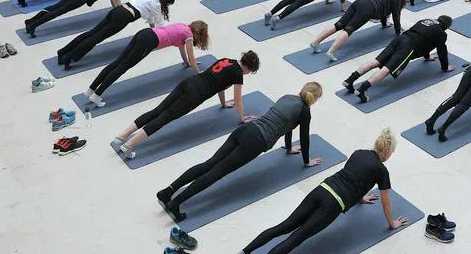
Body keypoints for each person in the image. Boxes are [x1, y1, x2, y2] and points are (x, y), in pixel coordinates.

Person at [157, 82, 326, 222]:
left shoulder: (288, 97)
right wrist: (306, 161)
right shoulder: (305, 111)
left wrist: (289, 148)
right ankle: (176, 203)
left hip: (246, 129)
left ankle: (168, 191)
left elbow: (288, 126)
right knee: (216, 172)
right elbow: (304, 137)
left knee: (209, 164)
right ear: (315, 98)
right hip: (256, 142)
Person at [237, 129, 408, 254]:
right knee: (297, 237)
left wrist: (361, 197)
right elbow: (386, 202)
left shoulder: (359, 153)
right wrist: (392, 223)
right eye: (392, 153)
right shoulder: (381, 170)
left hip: (321, 189)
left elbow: (355, 176)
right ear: (386, 152)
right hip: (333, 204)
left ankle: (245, 251)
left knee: (283, 226)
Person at [110, 51, 260, 160]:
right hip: (195, 95)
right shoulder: (238, 74)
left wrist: (223, 103)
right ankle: (129, 145)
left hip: (188, 83)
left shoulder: (227, 59)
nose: (248, 74)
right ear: (249, 68)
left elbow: (221, 84)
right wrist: (241, 118)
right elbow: (238, 99)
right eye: (251, 72)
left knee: (158, 111)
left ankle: (121, 137)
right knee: (164, 118)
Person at [84, 20, 209, 107]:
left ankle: (91, 89)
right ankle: (97, 95)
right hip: (149, 41)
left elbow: (182, 50)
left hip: (144, 33)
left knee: (117, 63)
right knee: (122, 67)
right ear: (200, 33)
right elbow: (192, 56)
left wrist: (186, 63)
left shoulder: (183, 27)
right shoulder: (189, 36)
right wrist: (198, 72)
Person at [342, 16, 454, 103]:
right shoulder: (441, 33)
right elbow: (441, 50)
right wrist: (445, 67)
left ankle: (349, 80)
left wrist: (427, 56)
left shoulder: (426, 20)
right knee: (386, 69)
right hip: (408, 46)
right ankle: (362, 90)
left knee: (376, 61)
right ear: (446, 26)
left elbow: (425, 41)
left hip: (400, 38)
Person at [56, 0, 174, 68]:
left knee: (91, 33)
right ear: (167, 2)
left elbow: (151, 18)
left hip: (118, 10)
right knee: (96, 39)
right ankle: (69, 58)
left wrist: (153, 27)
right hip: (124, 17)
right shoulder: (157, 6)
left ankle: (62, 52)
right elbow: (159, 22)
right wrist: (166, 33)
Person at [309, 0, 405, 62]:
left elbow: (384, 9)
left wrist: (384, 24)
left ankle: (315, 42)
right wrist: (398, 32)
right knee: (348, 30)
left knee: (338, 24)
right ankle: (331, 52)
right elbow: (396, 16)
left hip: (360, 2)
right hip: (368, 8)